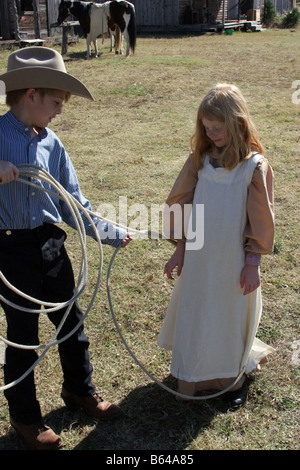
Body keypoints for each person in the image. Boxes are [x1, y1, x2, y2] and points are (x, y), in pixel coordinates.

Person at [0, 46, 131, 450]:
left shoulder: (52, 144)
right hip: (9, 248)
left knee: (71, 322)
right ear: (32, 93)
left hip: (50, 244)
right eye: (56, 102)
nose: (59, 111)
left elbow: (73, 203)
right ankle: (25, 416)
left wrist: (109, 232)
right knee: (23, 334)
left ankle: (79, 389)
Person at [158, 84, 275, 407]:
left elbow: (260, 218)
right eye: (206, 129)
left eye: (218, 128)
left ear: (237, 122)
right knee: (198, 311)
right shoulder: (201, 160)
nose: (211, 135)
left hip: (233, 262)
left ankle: (229, 376)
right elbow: (182, 203)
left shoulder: (254, 167)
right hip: (199, 257)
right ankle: (194, 373)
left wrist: (252, 263)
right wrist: (180, 247)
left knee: (226, 315)